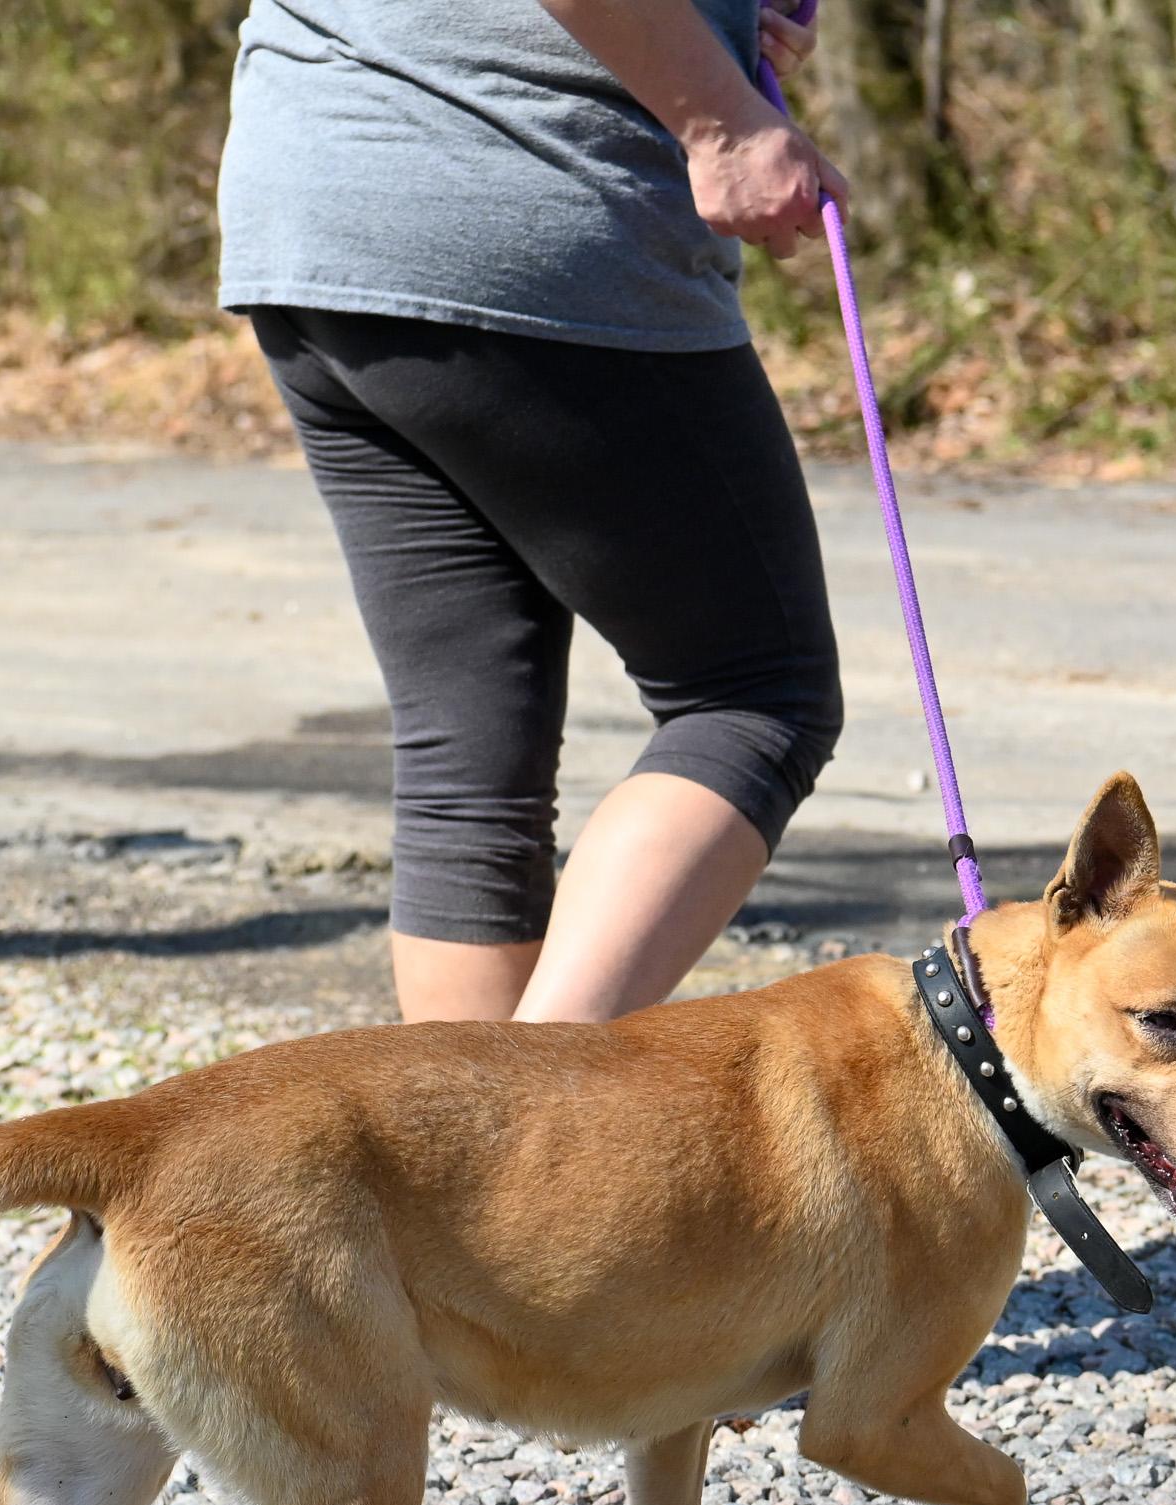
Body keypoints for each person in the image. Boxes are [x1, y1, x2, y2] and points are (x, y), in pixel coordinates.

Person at [217, 0, 848, 1023]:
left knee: (469, 748)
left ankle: (462, 1173)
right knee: (755, 695)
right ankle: (536, 1127)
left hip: (315, 204)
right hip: (522, 203)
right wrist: (722, 119)